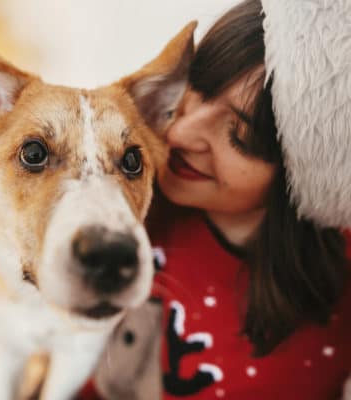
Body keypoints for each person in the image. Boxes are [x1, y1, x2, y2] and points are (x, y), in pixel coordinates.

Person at [80, 0, 351, 399]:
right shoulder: (120, 204)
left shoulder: (340, 284)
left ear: (307, 169)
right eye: (196, 90)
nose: (181, 134)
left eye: (239, 136)